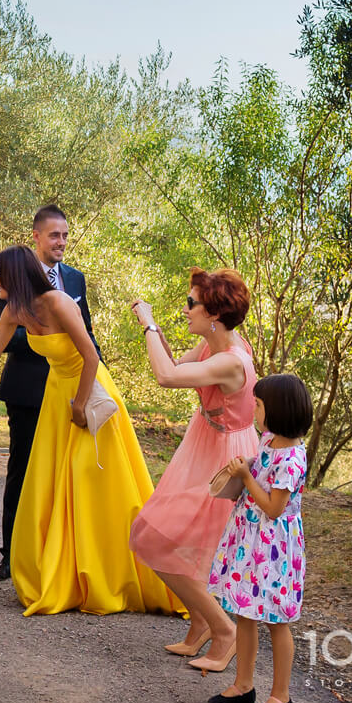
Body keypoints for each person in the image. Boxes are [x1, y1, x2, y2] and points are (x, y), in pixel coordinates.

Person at [0, 245, 180, 616]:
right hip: (56, 396)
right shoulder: (15, 311)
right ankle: (67, 571)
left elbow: (91, 355)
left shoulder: (60, 302)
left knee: (95, 483)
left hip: (88, 390)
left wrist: (80, 405)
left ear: (14, 275)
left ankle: (115, 574)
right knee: (55, 486)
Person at [127, 268, 259, 673]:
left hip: (227, 455)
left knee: (158, 537)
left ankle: (224, 630)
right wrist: (154, 329)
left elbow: (166, 376)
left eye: (191, 304)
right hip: (205, 441)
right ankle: (201, 620)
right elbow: (172, 362)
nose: (185, 310)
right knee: (162, 535)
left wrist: (149, 323)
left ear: (214, 313)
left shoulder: (230, 360)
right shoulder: (210, 346)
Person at [0, 205, 99, 582]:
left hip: (73, 386)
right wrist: (43, 333)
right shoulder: (14, 273)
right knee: (23, 472)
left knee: (72, 471)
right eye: (54, 235)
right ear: (36, 236)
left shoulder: (76, 281)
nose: (61, 242)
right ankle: (12, 555)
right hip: (29, 390)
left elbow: (88, 339)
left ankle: (65, 554)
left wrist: (94, 381)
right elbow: (7, 338)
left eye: (65, 235)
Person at [208, 374, 311, 703]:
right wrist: (250, 467)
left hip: (275, 548)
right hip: (250, 539)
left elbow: (273, 508)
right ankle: (243, 685)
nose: (254, 409)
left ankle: (281, 696)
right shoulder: (269, 441)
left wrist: (246, 477)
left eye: (260, 404)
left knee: (276, 621)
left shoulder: (292, 459)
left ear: (278, 410)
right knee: (245, 613)